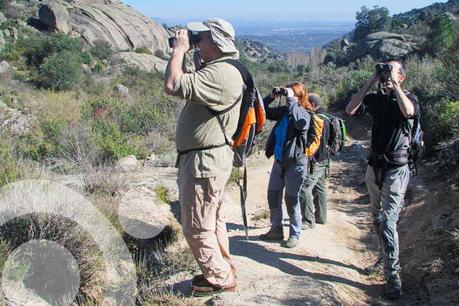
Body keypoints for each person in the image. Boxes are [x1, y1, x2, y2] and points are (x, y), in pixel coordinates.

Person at [164, 18, 243, 296]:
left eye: (202, 36)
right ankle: (223, 269)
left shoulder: (222, 73)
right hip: (209, 160)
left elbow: (173, 84)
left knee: (196, 228)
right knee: (213, 221)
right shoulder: (221, 69)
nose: (198, 40)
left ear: (217, 40)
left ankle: (219, 278)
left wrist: (179, 50)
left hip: (203, 163)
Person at [346, 60, 418, 300]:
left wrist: (395, 86)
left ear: (402, 78)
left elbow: (408, 112)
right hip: (374, 167)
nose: (387, 75)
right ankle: (384, 258)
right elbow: (350, 109)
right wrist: (370, 81)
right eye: (385, 72)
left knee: (387, 221)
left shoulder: (409, 98)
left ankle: (392, 275)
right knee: (377, 219)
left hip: (397, 169)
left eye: (392, 71)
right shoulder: (376, 100)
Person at [259, 83, 311, 248]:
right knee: (273, 195)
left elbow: (300, 124)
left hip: (295, 165)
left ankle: (294, 234)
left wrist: (292, 101)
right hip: (279, 162)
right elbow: (263, 111)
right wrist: (271, 97)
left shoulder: (305, 113)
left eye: (291, 93)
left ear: (299, 96)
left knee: (291, 200)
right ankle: (276, 229)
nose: (287, 97)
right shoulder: (283, 113)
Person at [299, 93, 330, 230]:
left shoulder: (316, 118)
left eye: (306, 103)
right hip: (325, 159)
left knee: (304, 188)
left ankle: (308, 220)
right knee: (320, 187)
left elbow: (315, 142)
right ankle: (321, 217)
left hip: (317, 160)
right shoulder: (327, 116)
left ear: (312, 105)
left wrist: (306, 156)